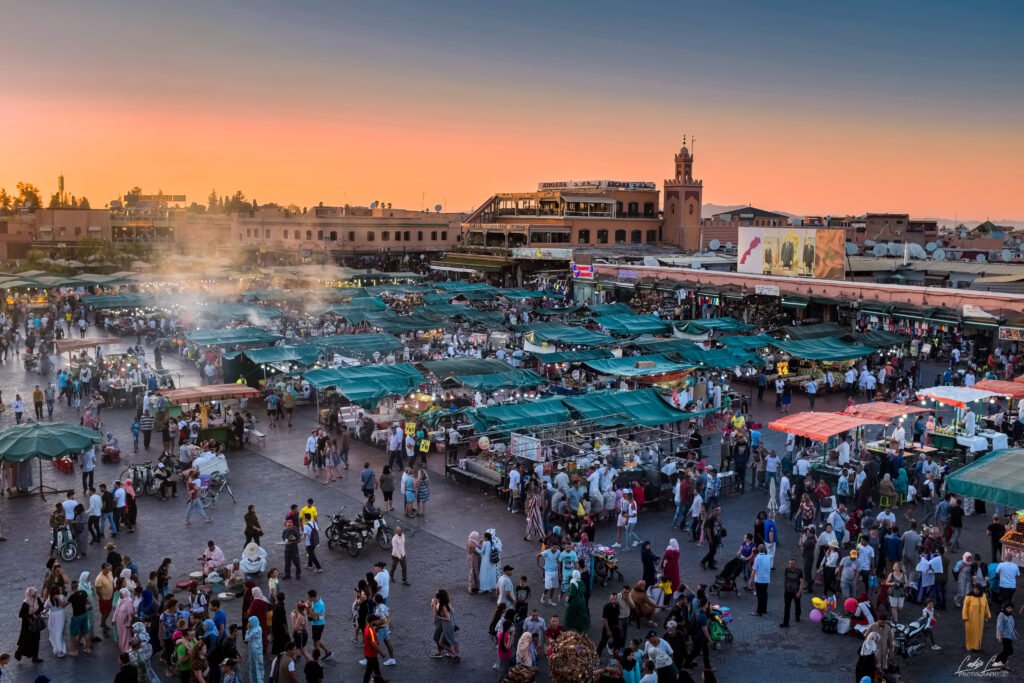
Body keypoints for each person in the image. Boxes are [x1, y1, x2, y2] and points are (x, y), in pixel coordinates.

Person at [962, 583, 991, 652]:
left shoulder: (983, 596)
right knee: (970, 632)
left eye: (977, 589)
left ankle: (977, 646)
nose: (976, 591)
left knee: (979, 633)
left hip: (980, 619)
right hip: (970, 619)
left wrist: (988, 615)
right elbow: (965, 608)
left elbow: (986, 605)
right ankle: (969, 646)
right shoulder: (968, 596)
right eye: (975, 589)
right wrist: (965, 616)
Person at [778, 557, 804, 628]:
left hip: (796, 591)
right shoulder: (787, 570)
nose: (790, 564)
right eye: (789, 563)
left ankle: (797, 616)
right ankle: (786, 622)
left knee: (797, 605)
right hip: (788, 592)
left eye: (792, 563)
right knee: (787, 607)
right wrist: (785, 587)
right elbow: (785, 578)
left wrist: (799, 592)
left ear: (795, 564)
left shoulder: (799, 571)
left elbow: (802, 582)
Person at [749, 544, 771, 616]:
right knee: (765, 594)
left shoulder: (758, 558)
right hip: (766, 579)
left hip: (759, 579)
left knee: (759, 596)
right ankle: (764, 609)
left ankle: (759, 611)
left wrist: (751, 580)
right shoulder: (768, 557)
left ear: (758, 550)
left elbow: (754, 570)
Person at [45, 586, 67, 658]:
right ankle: (61, 648)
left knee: (54, 631)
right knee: (60, 632)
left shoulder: (49, 600)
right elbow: (64, 604)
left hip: (53, 616)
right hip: (61, 615)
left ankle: (59, 649)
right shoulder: (62, 596)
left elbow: (45, 607)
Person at [995, 601, 1016, 670]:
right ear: (1005, 608)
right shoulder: (1001, 615)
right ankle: (998, 660)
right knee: (1009, 650)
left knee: (1007, 650)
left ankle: (1001, 663)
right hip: (1004, 636)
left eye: (1011, 608)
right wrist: (999, 637)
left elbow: (1012, 626)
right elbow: (999, 626)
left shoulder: (1010, 615)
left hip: (1009, 636)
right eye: (1008, 608)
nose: (1009, 609)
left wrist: (1013, 635)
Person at [245, 615, 264, 683]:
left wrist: (247, 630)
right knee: (259, 669)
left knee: (255, 669)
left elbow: (247, 639)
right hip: (258, 651)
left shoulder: (254, 631)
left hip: (254, 652)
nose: (248, 624)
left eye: (249, 622)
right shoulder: (259, 628)